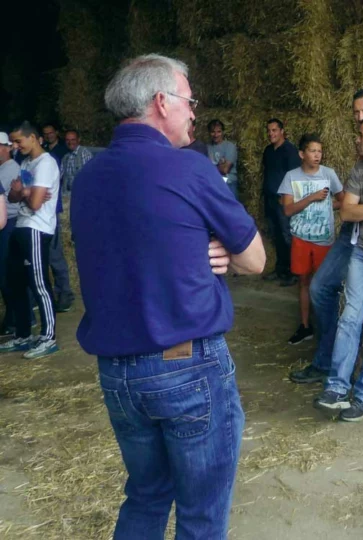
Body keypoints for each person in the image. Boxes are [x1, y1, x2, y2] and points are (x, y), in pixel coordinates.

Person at [71, 54, 266, 539]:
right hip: (186, 366)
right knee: (201, 515)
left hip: (118, 375)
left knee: (146, 497)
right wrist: (221, 249)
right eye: (189, 100)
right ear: (162, 102)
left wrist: (199, 247)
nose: (195, 114)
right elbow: (257, 260)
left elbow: (133, 244)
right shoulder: (191, 169)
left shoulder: (89, 177)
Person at [289, 88, 363, 384]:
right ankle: (328, 360)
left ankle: (354, 375)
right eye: (355, 112)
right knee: (319, 288)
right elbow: (349, 210)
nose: (359, 117)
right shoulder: (360, 157)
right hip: (350, 234)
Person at [313, 115, 363, 422]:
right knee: (349, 319)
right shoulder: (360, 168)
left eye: (360, 134)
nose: (356, 139)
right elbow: (347, 212)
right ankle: (335, 389)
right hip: (361, 252)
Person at [0, 121, 61, 359]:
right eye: (13, 142)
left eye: (18, 141)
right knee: (14, 281)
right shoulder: (26, 163)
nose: (15, 146)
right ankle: (23, 335)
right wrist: (25, 192)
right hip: (21, 227)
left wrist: (24, 193)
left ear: (33, 138)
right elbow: (14, 196)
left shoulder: (45, 163)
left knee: (39, 283)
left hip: (37, 228)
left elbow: (34, 203)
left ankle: (49, 337)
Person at [278, 133, 344, 346]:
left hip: (324, 239)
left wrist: (325, 205)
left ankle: (326, 329)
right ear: (301, 154)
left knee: (323, 285)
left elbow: (344, 201)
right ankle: (305, 326)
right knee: (304, 282)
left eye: (320, 151)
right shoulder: (291, 176)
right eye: (313, 151)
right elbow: (287, 210)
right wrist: (311, 198)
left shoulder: (329, 174)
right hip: (301, 239)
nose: (317, 155)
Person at [262, 118, 301, 286]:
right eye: (269, 130)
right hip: (270, 199)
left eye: (274, 130)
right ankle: (280, 269)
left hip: (283, 201)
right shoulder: (268, 151)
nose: (271, 133)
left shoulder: (290, 151)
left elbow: (295, 177)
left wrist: (287, 197)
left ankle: (295, 272)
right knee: (276, 234)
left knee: (287, 235)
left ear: (282, 131)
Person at [40, 122, 74, 312]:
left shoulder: (57, 155)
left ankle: (65, 294)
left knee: (55, 256)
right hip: (39, 213)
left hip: (50, 212)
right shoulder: (39, 156)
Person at [0, 132, 20, 335]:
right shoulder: (3, 169)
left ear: (6, 147)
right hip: (5, 222)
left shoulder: (11, 169)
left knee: (7, 275)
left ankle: (14, 320)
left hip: (9, 224)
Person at [207, 119, 239, 200]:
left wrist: (211, 167)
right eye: (213, 132)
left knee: (231, 211)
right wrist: (219, 165)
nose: (216, 135)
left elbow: (225, 170)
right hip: (213, 185)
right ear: (209, 133)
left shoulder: (230, 146)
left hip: (228, 184)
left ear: (223, 132)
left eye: (219, 131)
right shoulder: (207, 148)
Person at [60, 129, 93, 194]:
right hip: (67, 195)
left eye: (73, 140)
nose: (70, 142)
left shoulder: (84, 153)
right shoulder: (65, 157)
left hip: (81, 194)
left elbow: (90, 177)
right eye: (67, 140)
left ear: (79, 140)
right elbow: (60, 176)